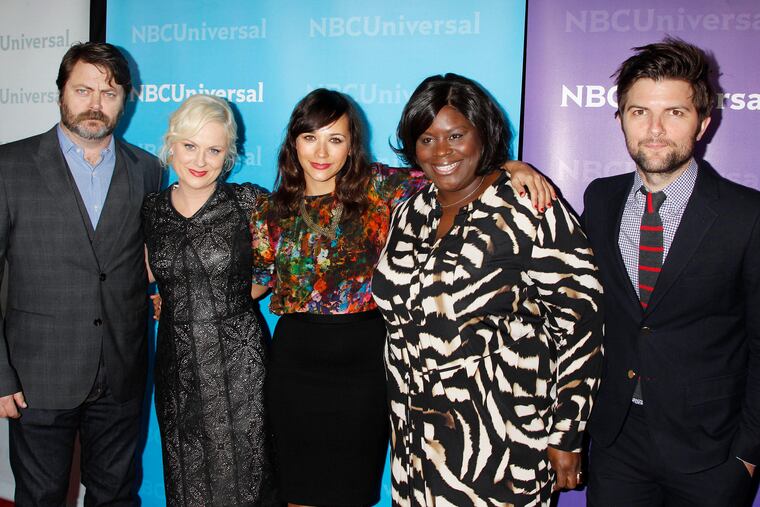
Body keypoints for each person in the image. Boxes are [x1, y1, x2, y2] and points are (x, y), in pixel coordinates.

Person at [249, 88, 555, 506]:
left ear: (352, 144)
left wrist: (511, 166)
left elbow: (452, 167)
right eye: (310, 137)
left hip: (365, 366)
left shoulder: (381, 188)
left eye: (335, 139)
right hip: (295, 365)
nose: (321, 152)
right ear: (293, 143)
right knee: (298, 489)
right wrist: (183, 298)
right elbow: (258, 281)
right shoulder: (271, 210)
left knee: (350, 492)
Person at [371, 73, 604, 506]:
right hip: (413, 441)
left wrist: (567, 433)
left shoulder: (528, 206)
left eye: (456, 135)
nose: (441, 151)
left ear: (483, 133)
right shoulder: (408, 211)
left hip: (502, 441)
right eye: (426, 139)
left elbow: (582, 323)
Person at [583, 37, 760, 506]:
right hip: (617, 441)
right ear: (620, 119)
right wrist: (511, 170)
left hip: (713, 450)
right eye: (640, 112)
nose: (655, 129)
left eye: (674, 113)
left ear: (703, 122)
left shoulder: (748, 216)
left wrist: (747, 454)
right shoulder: (599, 199)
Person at [0, 42, 162, 505]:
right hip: (37, 375)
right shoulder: (9, 166)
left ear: (125, 100)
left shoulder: (147, 170)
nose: (96, 104)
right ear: (61, 93)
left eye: (109, 93)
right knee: (41, 497)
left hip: (121, 372)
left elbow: (140, 259)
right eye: (83, 90)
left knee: (116, 495)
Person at [142, 94, 277, 506]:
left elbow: (271, 269)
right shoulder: (151, 210)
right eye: (190, 145)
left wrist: (222, 303)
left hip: (241, 366)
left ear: (228, 155)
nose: (200, 160)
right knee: (187, 476)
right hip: (177, 366)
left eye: (214, 150)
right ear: (171, 145)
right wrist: (165, 299)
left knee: (248, 477)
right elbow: (145, 273)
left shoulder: (248, 202)